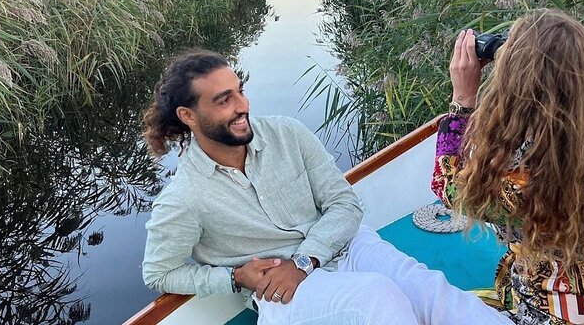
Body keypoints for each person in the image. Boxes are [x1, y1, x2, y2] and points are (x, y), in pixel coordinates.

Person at [141, 50, 511, 325]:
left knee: (432, 293)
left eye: (239, 91)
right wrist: (234, 277)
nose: (243, 106)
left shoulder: (286, 133)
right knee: (376, 298)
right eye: (224, 100)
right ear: (188, 116)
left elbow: (344, 204)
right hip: (281, 292)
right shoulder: (184, 197)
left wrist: (306, 260)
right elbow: (159, 273)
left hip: (343, 246)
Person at [432, 8, 584, 324]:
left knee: (430, 301)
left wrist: (463, 101)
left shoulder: (517, 181)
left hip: (547, 311)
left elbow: (448, 186)